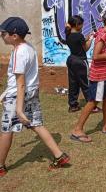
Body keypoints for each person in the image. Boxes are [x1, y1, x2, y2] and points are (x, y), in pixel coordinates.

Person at [0, 17, 70, 176]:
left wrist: (18, 109)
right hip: (31, 93)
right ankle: (59, 155)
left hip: (18, 96)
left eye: (3, 33)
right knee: (36, 124)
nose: (1, 36)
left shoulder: (18, 52)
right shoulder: (29, 47)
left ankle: (0, 166)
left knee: (6, 130)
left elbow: (20, 83)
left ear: (14, 36)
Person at [70, 8, 106, 143]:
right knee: (93, 101)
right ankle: (77, 129)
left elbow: (105, 51)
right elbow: (96, 56)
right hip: (100, 76)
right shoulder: (102, 35)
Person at [65, 15, 101, 113]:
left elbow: (77, 43)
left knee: (73, 83)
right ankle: (92, 106)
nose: (82, 26)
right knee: (86, 84)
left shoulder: (68, 34)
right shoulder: (79, 36)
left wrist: (87, 38)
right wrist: (91, 39)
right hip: (80, 61)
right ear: (77, 25)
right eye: (81, 25)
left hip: (71, 60)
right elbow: (85, 48)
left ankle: (73, 105)